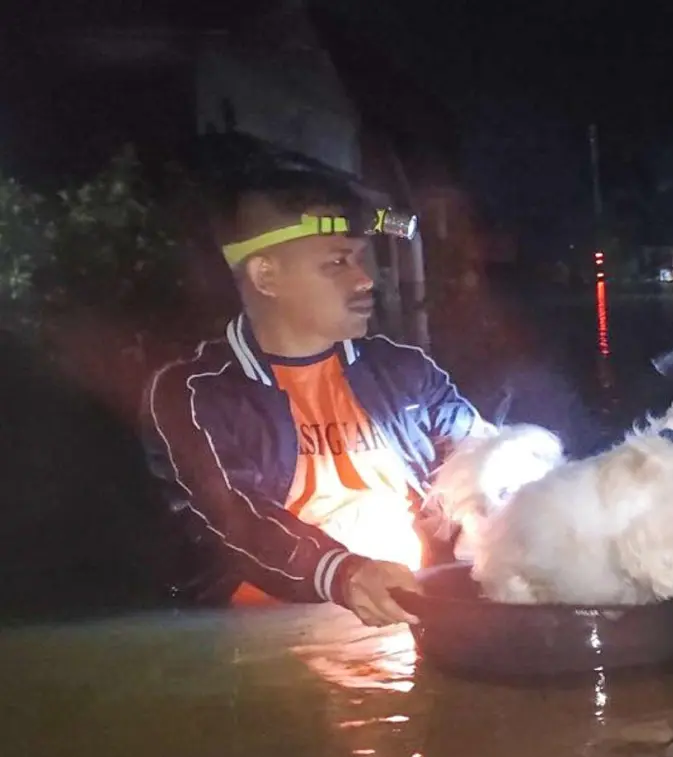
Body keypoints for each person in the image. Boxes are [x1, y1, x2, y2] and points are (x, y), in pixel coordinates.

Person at [142, 170, 489, 627]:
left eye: (364, 259)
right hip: (270, 649)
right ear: (267, 275)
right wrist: (342, 574)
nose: (367, 280)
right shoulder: (194, 393)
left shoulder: (404, 371)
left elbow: (484, 456)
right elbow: (233, 520)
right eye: (338, 263)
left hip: (415, 615)